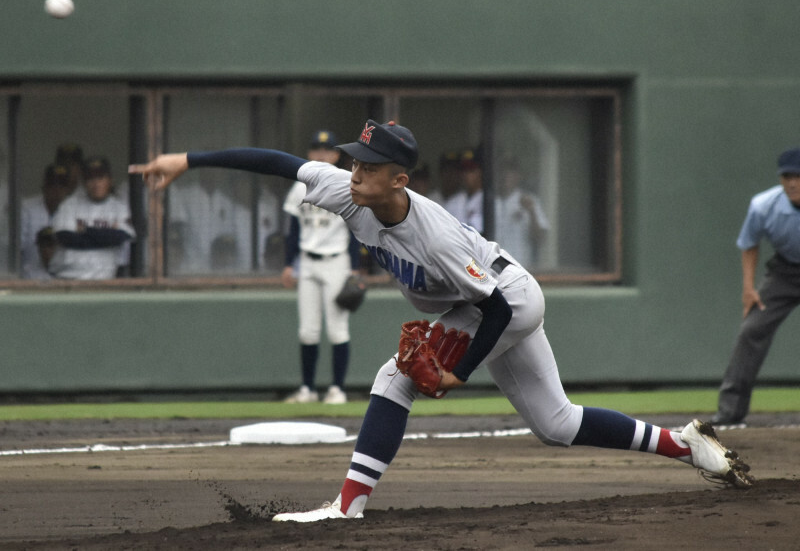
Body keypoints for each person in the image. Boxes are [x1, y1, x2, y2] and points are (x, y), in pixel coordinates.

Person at [130, 118, 753, 523]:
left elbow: (500, 309)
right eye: (355, 159)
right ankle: (685, 446)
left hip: (506, 295)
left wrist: (460, 372)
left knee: (394, 377)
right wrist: (189, 158)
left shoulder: (435, 239)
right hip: (485, 302)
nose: (354, 170)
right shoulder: (348, 191)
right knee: (558, 425)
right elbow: (277, 161)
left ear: (398, 180)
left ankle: (348, 507)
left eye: (368, 166)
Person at [711, 148, 800, 426]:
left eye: (798, 176)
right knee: (752, 330)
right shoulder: (764, 205)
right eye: (787, 176)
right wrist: (748, 288)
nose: (792, 182)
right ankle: (730, 415)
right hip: (785, 272)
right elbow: (749, 244)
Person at [281, 130, 362, 405]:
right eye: (317, 150)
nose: (322, 155)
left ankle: (337, 389)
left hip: (336, 261)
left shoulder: (344, 183)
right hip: (307, 261)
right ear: (309, 154)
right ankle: (307, 389)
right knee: (308, 330)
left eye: (327, 150)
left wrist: (355, 267)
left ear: (337, 155)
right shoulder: (299, 186)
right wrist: (287, 264)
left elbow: (355, 227)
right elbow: (292, 230)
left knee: (337, 329)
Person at [50, 156, 136, 279]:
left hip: (104, 278)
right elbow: (65, 237)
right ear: (84, 183)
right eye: (90, 179)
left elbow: (119, 237)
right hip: (67, 276)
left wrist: (86, 231)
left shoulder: (119, 207)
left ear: (110, 180)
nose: (96, 184)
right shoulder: (69, 204)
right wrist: (105, 236)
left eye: (100, 178)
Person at [494, 160, 549, 268]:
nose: (505, 177)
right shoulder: (489, 201)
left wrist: (531, 212)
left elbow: (540, 239)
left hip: (520, 267)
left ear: (518, 176)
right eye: (502, 172)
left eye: (510, 173)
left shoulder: (529, 200)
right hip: (493, 268)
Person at [20, 164, 72, 279]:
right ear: (43, 187)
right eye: (52, 185)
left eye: (61, 186)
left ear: (68, 189)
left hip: (64, 279)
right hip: (28, 277)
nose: (56, 190)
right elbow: (16, 248)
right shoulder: (26, 208)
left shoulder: (76, 210)